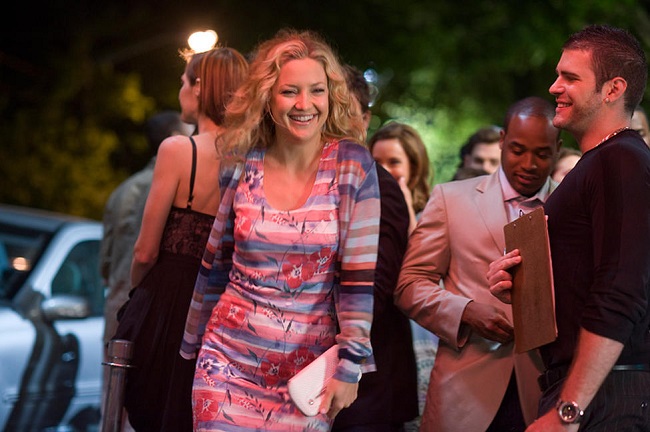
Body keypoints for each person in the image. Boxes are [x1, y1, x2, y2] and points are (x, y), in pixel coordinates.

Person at [180, 29, 380, 431]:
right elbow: (220, 259)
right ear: (267, 96)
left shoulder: (352, 165)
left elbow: (359, 278)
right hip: (227, 363)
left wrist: (351, 364)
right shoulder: (241, 160)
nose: (304, 104)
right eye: (290, 91)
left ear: (331, 96)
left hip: (305, 378)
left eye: (317, 91)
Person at [488, 25, 650, 431]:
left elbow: (620, 290)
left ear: (613, 89)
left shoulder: (622, 160)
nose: (554, 87)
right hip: (592, 391)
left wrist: (568, 411)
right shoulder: (600, 163)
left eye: (570, 78)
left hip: (608, 396)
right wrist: (524, 284)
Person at [395, 96, 562, 432]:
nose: (529, 164)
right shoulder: (450, 199)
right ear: (502, 140)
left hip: (546, 391)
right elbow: (409, 285)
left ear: (558, 149)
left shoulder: (572, 203)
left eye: (542, 154)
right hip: (464, 392)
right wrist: (465, 312)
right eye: (517, 150)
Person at [112, 46, 249, 432]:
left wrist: (137, 295)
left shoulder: (177, 150)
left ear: (200, 87)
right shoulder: (252, 160)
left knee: (152, 411)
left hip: (169, 301)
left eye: (183, 81)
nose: (180, 90)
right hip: (222, 306)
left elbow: (145, 251)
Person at [328, 66, 419, 432]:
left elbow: (374, 290)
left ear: (364, 119)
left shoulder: (380, 185)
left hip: (368, 389)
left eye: (343, 111)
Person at [99, 110, 193, 430]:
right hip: (150, 304)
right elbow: (147, 253)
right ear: (174, 138)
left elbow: (105, 261)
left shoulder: (122, 190)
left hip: (116, 301)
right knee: (146, 403)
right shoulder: (178, 185)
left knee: (112, 403)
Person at [368, 122, 432, 235]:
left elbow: (419, 245)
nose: (383, 171)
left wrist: (407, 208)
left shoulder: (432, 213)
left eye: (394, 162)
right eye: (377, 163)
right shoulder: (360, 208)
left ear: (413, 167)